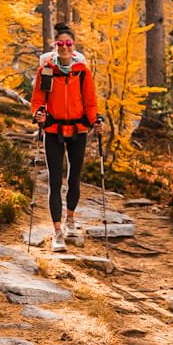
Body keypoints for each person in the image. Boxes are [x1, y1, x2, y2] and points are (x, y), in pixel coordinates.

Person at [31, 22, 102, 252]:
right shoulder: (46, 70)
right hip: (52, 130)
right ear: (55, 46)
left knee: (74, 177)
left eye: (68, 43)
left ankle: (71, 220)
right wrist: (38, 113)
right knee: (54, 180)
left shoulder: (82, 72)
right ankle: (57, 232)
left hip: (78, 130)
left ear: (74, 46)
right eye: (60, 43)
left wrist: (96, 121)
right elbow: (38, 99)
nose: (64, 47)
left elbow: (90, 102)